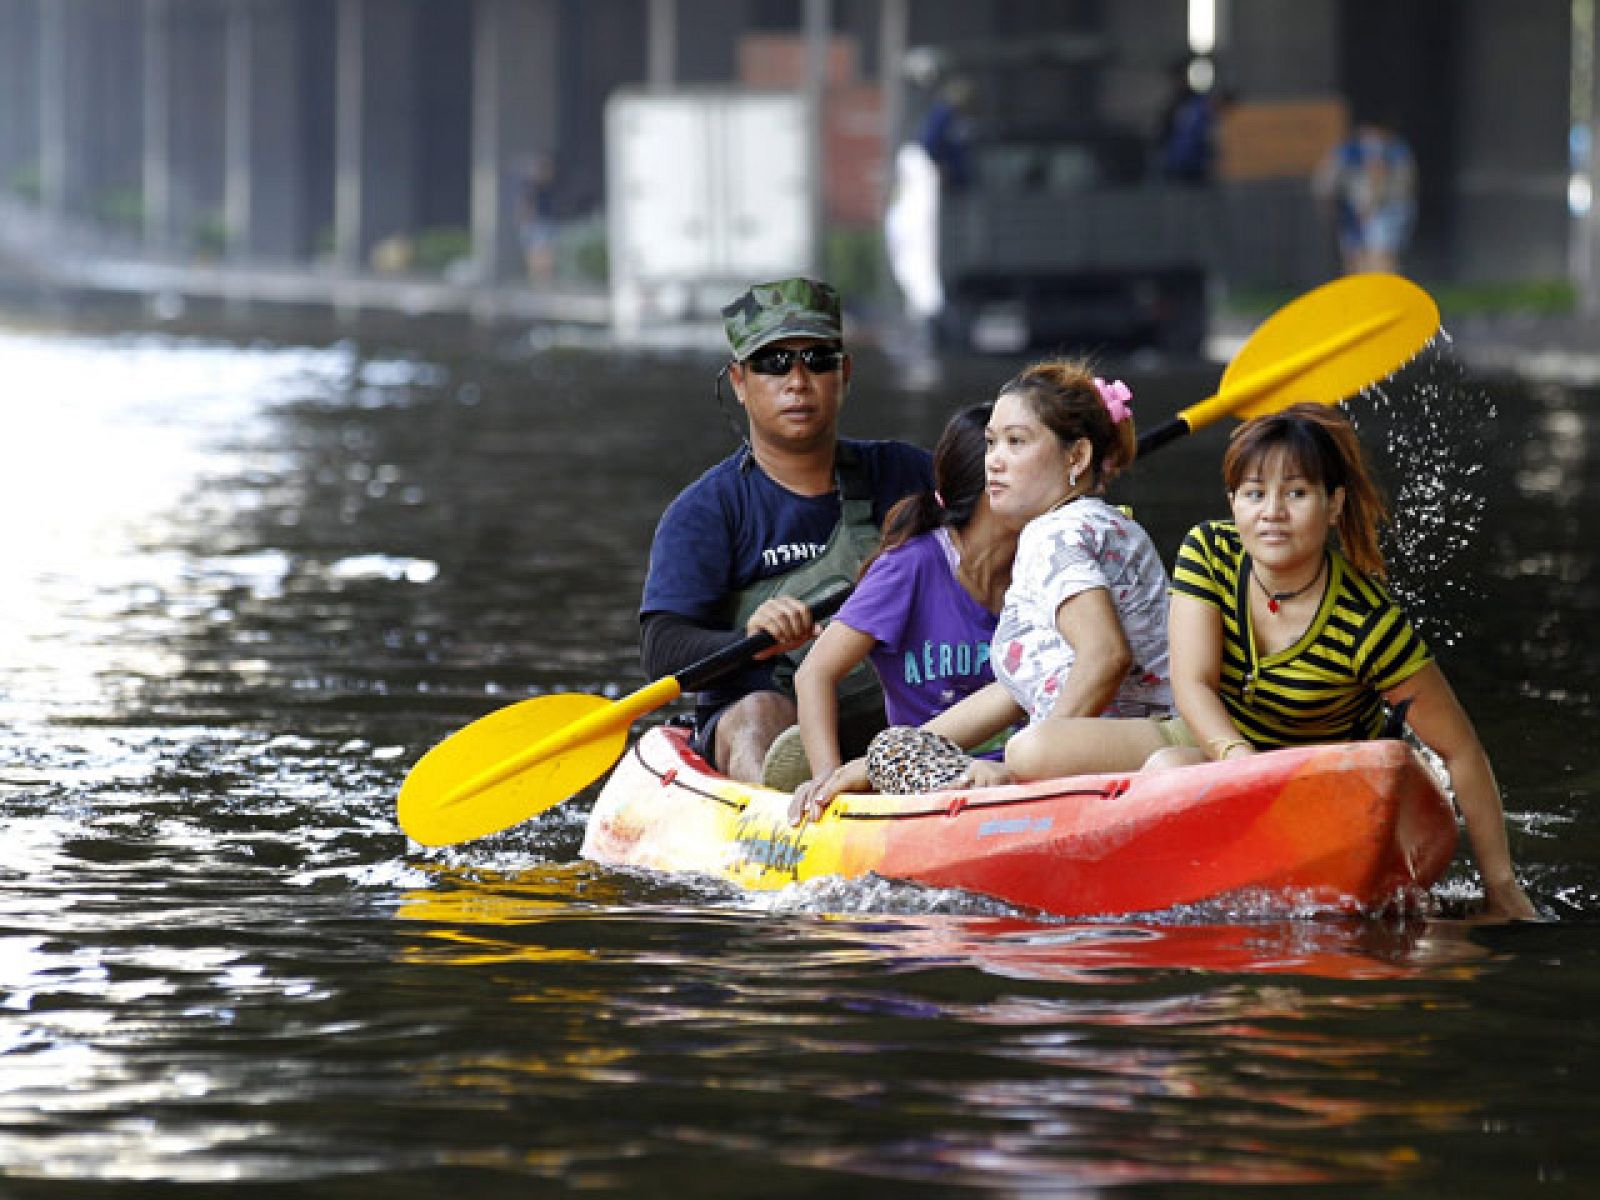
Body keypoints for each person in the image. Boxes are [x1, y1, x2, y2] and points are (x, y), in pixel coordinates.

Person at [1148, 403, 1537, 920]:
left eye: (1297, 493)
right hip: (1228, 749)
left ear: (1333, 505)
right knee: (1103, 759)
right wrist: (1241, 765)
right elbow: (1192, 683)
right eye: (1255, 493)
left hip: (1332, 790)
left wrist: (1501, 887)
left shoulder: (1368, 622)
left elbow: (1461, 750)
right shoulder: (1209, 552)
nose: (1272, 512)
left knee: (1169, 769)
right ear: (1233, 502)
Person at [792, 359, 1182, 819]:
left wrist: (1029, 765)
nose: (993, 460)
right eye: (992, 442)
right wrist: (876, 761)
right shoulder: (1103, 523)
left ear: (1076, 457)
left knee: (1022, 748)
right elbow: (1014, 691)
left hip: (1139, 738)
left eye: (1016, 442)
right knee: (895, 750)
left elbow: (1106, 656)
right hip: (1128, 738)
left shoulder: (1054, 535)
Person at [638, 277, 934, 785]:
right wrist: (749, 639)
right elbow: (662, 649)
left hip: (902, 716)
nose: (797, 381)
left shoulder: (910, 475)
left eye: (817, 360)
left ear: (844, 373)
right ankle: (782, 810)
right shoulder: (706, 511)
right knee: (757, 714)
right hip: (772, 716)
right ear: (739, 382)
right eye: (774, 364)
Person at [785, 404, 1020, 819]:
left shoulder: (1045, 565)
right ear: (991, 487)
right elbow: (814, 674)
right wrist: (829, 779)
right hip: (926, 778)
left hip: (1022, 771)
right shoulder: (910, 565)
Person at [1314, 121, 1418, 275]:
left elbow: (1391, 179)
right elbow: (1324, 183)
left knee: (1379, 255)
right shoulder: (1347, 151)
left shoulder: (1390, 148)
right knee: (1355, 257)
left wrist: (1371, 205)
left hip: (1382, 208)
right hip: (1355, 210)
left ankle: (1383, 287)